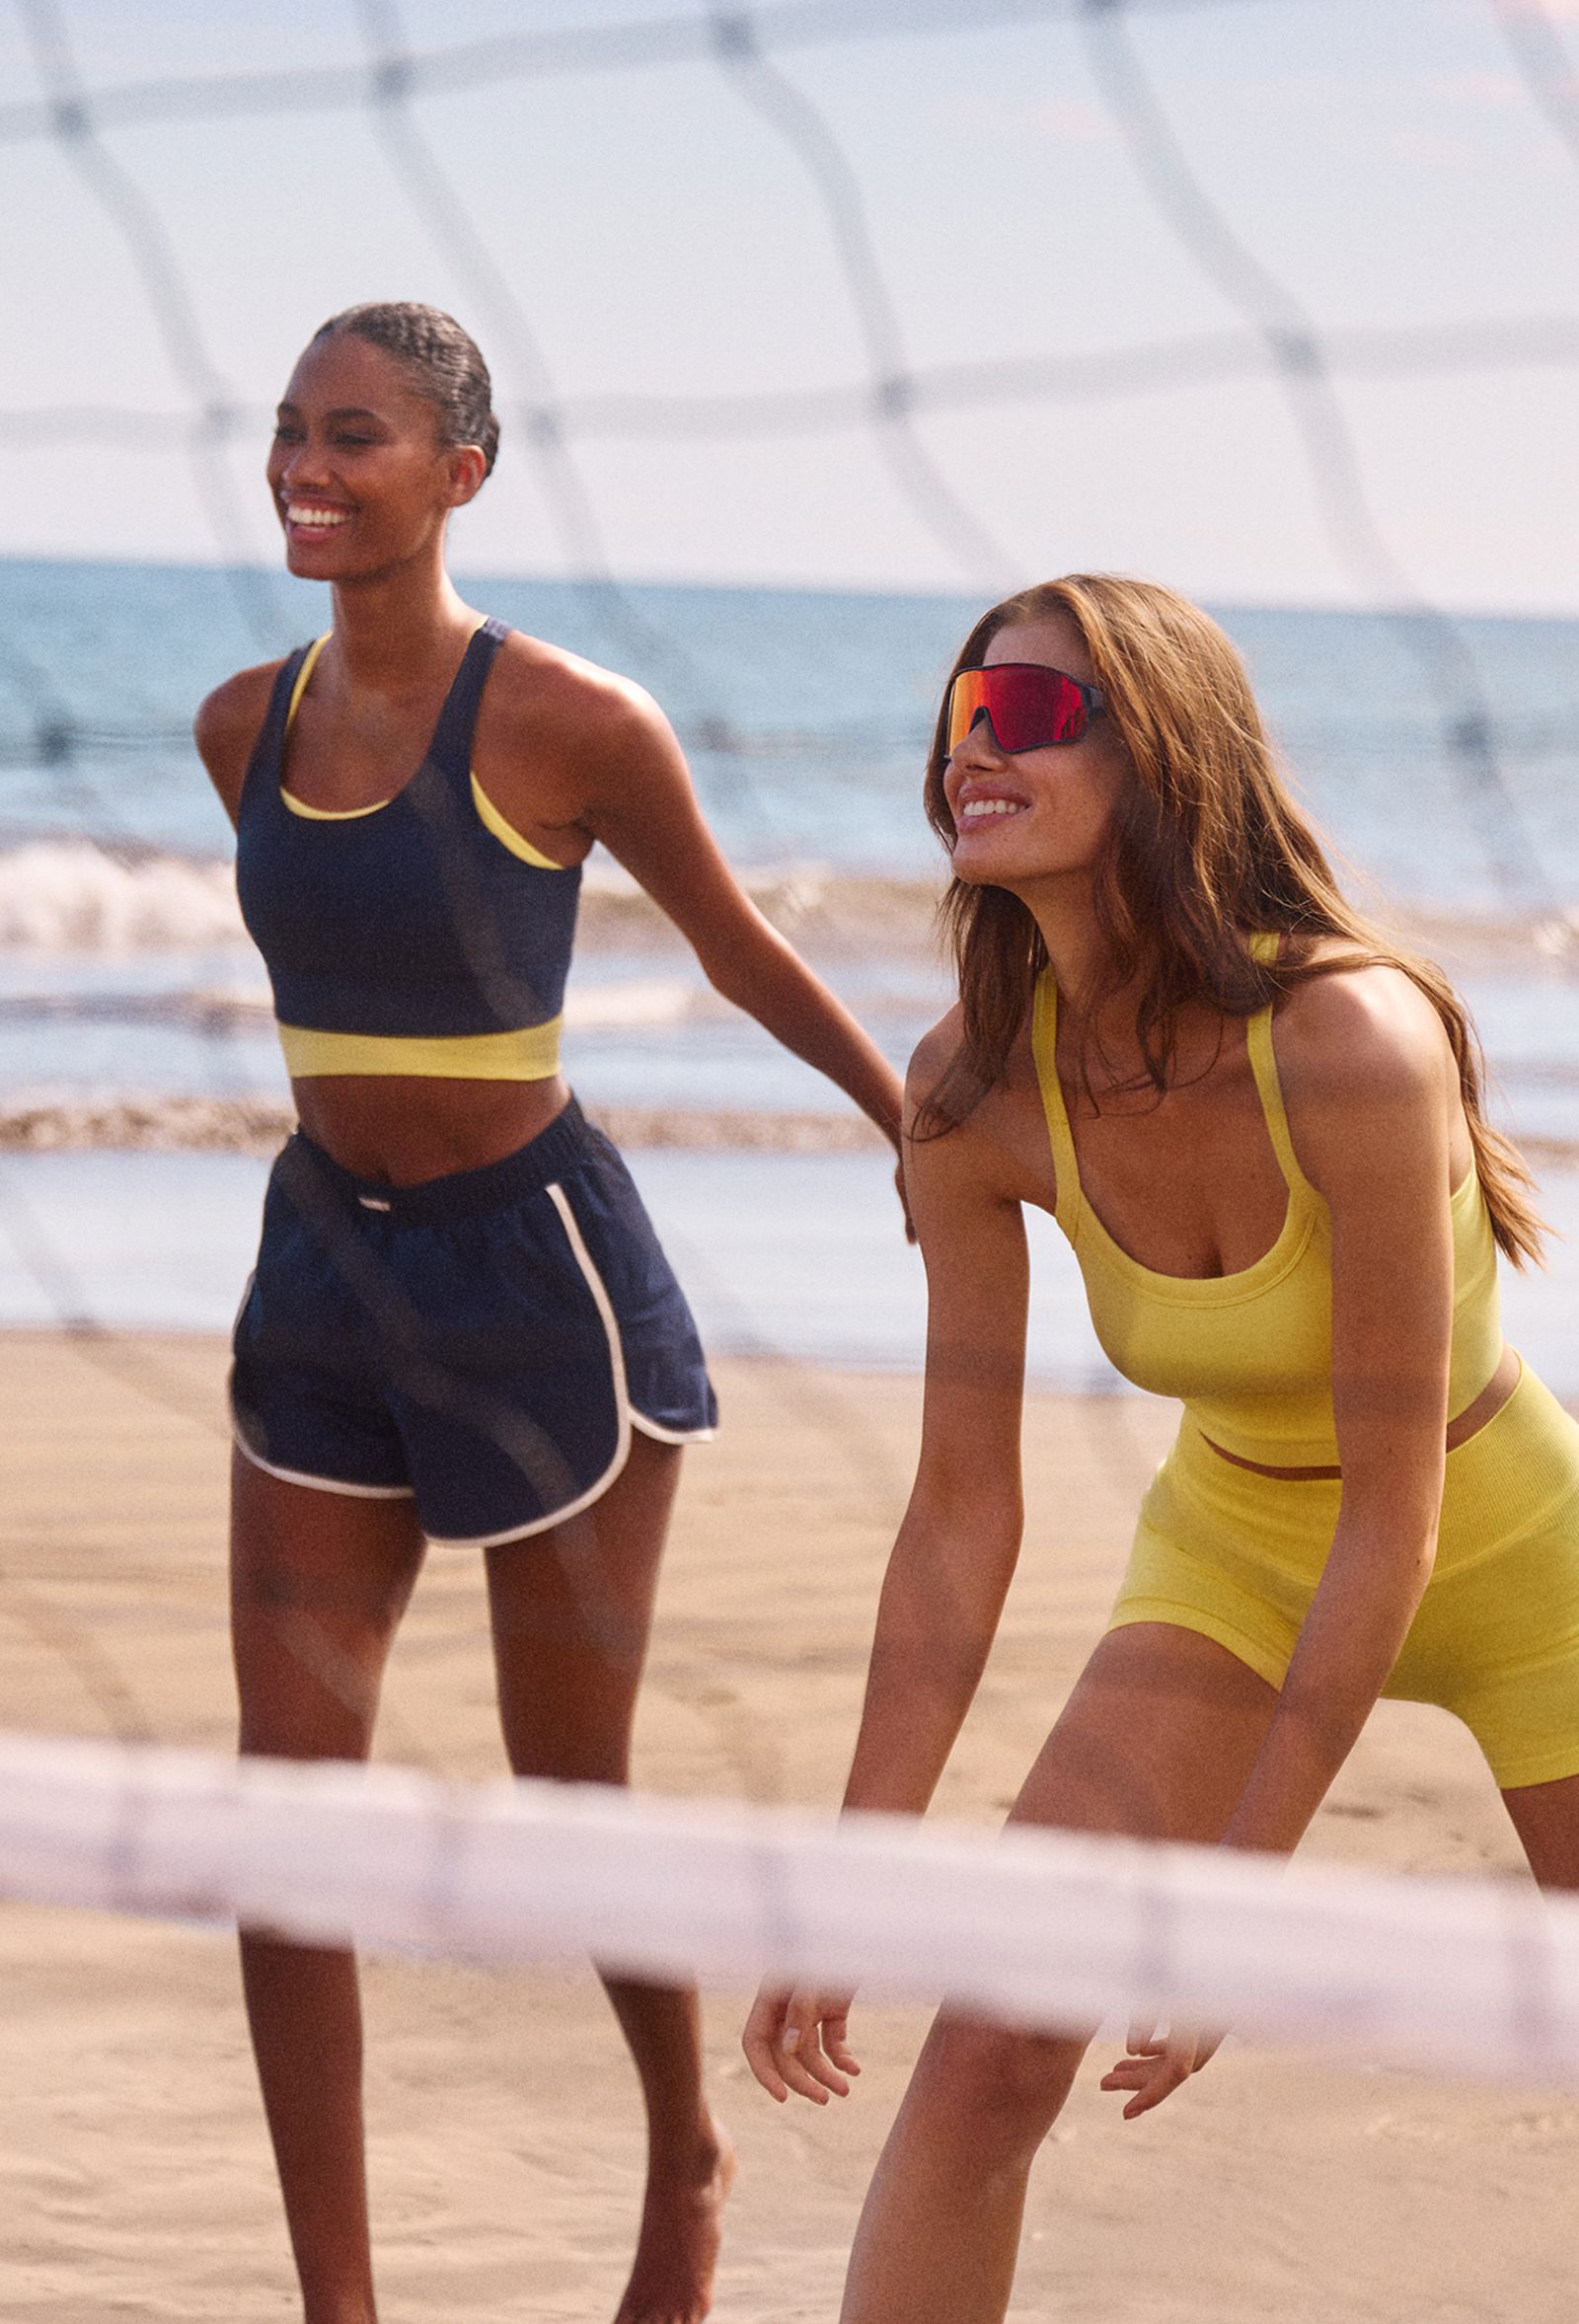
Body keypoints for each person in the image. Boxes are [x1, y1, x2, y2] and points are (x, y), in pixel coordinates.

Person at [743, 573, 1579, 2324]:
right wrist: (851, 1875)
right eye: (962, 716)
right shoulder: (970, 1087)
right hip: (1233, 1555)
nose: (976, 750)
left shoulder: (1350, 1040)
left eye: (1032, 715)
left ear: (1167, 757)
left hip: (1515, 1553)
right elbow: (958, 1515)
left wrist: (1230, 1912)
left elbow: (1398, 1519)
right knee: (989, 2048)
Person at [194, 300, 904, 2324]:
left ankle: (683, 2154)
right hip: (319, 1270)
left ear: (462, 472)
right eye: (287, 430)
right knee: (279, 1819)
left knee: (565, 1788)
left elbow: (739, 950)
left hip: (535, 1282)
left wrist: (910, 1126)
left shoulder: (576, 724)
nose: (304, 468)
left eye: (354, 436)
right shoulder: (238, 726)